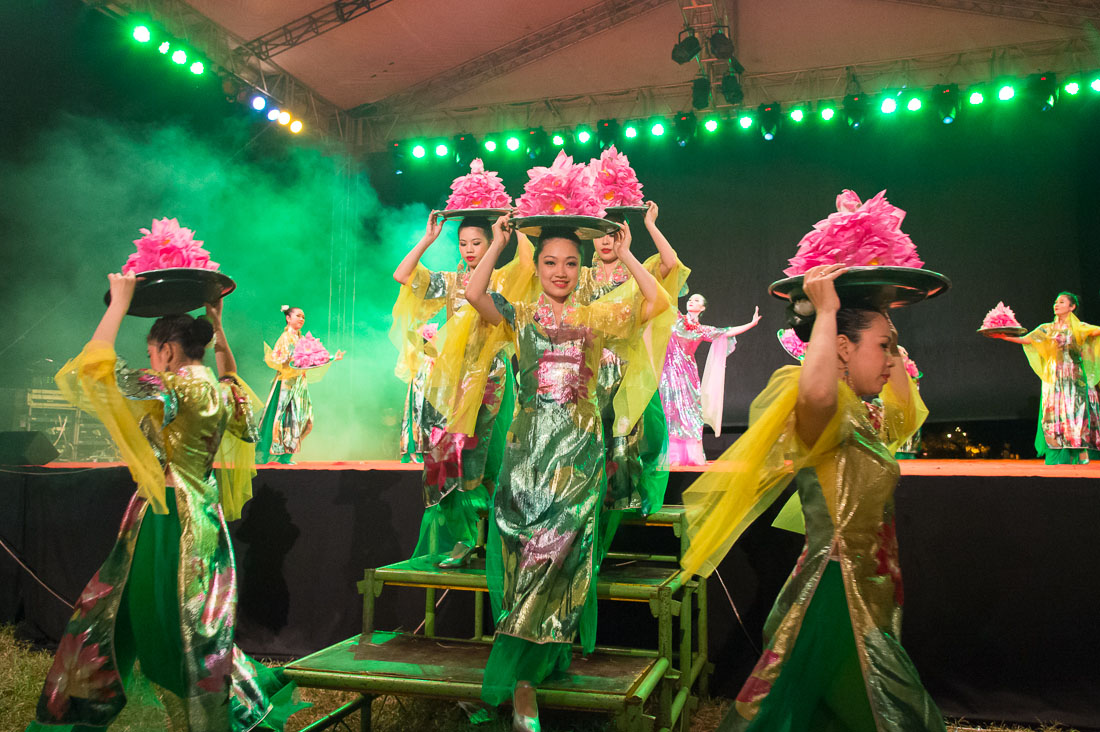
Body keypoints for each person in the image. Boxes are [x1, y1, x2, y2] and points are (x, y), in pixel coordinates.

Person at [28, 273, 306, 731]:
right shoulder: (222, 392)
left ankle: (90, 707)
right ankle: (226, 698)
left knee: (132, 617)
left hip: (167, 521)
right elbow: (236, 385)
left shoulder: (173, 389)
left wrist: (118, 305)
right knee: (197, 624)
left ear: (169, 352)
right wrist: (217, 325)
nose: (151, 362)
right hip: (205, 515)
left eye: (152, 353)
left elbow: (92, 370)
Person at [681, 264, 945, 732]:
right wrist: (827, 313)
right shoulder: (824, 416)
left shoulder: (864, 419)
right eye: (884, 348)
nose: (893, 359)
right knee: (896, 714)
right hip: (836, 595)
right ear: (842, 347)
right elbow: (819, 391)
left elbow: (904, 416)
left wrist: (881, 314)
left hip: (871, 589)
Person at [459, 215, 667, 731]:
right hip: (525, 457)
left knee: (559, 560)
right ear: (538, 265)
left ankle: (523, 684)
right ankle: (532, 669)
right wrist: (503, 243)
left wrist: (625, 252)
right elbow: (474, 292)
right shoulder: (521, 313)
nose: (560, 271)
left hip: (578, 457)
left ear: (581, 269)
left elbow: (657, 302)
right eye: (550, 261)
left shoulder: (598, 318)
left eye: (571, 262)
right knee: (522, 559)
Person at [391, 211, 532, 567]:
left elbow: (529, 263)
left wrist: (512, 227)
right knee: (443, 459)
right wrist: (428, 238)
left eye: (477, 243)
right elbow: (403, 275)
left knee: (483, 458)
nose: (469, 250)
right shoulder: (451, 281)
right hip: (451, 382)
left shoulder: (502, 278)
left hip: (490, 381)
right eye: (463, 243)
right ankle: (465, 537)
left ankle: (489, 539)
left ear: (491, 241)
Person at [993, 291, 1100, 464]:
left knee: (1075, 411)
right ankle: (1058, 453)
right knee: (1054, 414)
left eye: (1062, 302)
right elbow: (1027, 340)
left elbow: (1096, 333)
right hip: (1053, 378)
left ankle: (1081, 450)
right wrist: (1003, 336)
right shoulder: (1046, 328)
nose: (1056, 305)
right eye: (1056, 302)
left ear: (1072, 307)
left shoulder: (1080, 328)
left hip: (1074, 375)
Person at [659, 293, 761, 465]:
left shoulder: (701, 329)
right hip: (668, 372)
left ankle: (690, 455)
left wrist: (751, 323)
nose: (691, 301)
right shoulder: (675, 318)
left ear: (703, 308)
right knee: (669, 410)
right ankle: (671, 456)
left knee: (690, 413)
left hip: (687, 373)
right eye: (690, 299)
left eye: (697, 300)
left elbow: (725, 332)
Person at [256, 305, 343, 464]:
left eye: (303, 316)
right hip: (286, 383)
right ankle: (282, 455)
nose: (301, 319)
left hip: (299, 383)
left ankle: (286, 454)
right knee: (285, 419)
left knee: (304, 419)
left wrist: (332, 358)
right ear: (288, 318)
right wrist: (288, 358)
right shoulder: (285, 338)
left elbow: (311, 359)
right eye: (298, 316)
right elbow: (279, 358)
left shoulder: (300, 339)